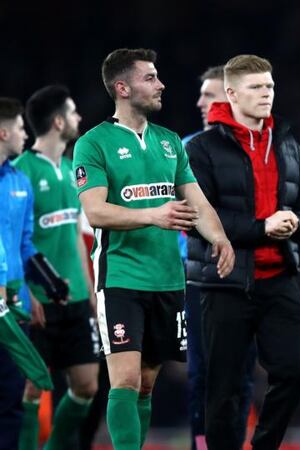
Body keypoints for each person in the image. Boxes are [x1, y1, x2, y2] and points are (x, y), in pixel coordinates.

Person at [73, 48, 234, 450]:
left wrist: (220, 237)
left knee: (146, 383)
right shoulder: (94, 144)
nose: (160, 84)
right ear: (122, 88)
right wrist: (153, 215)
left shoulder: (169, 142)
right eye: (150, 78)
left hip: (167, 277)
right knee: (124, 379)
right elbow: (95, 211)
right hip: (122, 275)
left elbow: (197, 203)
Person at [185, 54, 300, 450]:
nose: (266, 94)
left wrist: (298, 221)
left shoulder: (287, 144)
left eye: (270, 87)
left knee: (296, 370)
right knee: (223, 388)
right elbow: (199, 215)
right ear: (230, 93)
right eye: (255, 87)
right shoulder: (204, 148)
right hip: (225, 282)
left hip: (279, 277)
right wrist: (263, 228)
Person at [14, 85, 100, 450]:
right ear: (58, 121)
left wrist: (91, 292)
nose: (80, 118)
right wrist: (22, 293)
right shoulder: (21, 171)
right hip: (37, 302)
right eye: (74, 111)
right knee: (33, 388)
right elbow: (12, 241)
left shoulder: (72, 171)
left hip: (77, 298)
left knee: (87, 387)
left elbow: (75, 239)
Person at [183, 63, 256, 450]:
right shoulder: (184, 149)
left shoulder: (258, 147)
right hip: (199, 277)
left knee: (243, 373)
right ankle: (203, 445)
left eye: (208, 95)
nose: (200, 102)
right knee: (203, 372)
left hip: (249, 275)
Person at [0, 96, 33, 450]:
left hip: (14, 306)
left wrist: (42, 286)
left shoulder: (19, 181)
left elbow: (26, 244)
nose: (26, 135)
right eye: (21, 128)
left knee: (11, 399)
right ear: (4, 131)